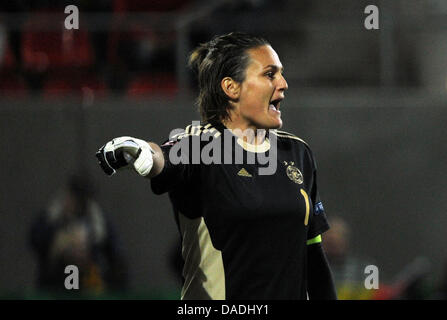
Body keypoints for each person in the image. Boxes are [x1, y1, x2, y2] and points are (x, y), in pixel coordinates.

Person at [96, 32, 337, 300]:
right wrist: (143, 152)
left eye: (281, 73)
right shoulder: (199, 147)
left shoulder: (298, 152)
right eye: (270, 74)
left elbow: (313, 256)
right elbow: (162, 158)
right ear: (231, 87)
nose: (283, 83)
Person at [29, 174, 128, 296]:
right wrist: (58, 243)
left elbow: (116, 257)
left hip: (87, 283)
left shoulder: (97, 221)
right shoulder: (52, 217)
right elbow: (35, 240)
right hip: (55, 284)